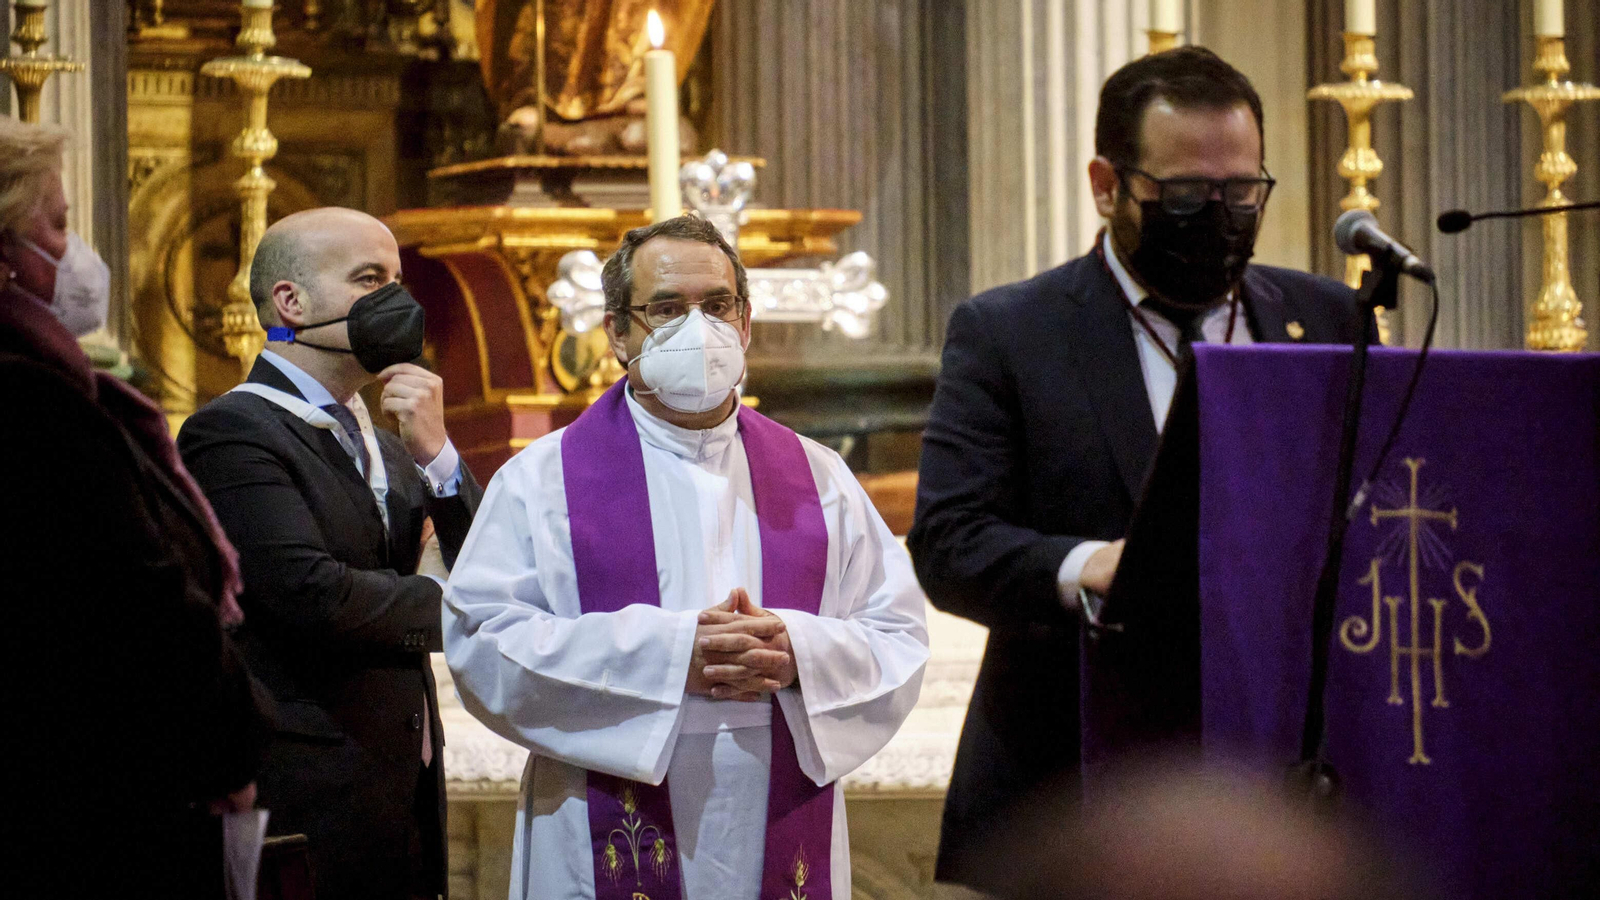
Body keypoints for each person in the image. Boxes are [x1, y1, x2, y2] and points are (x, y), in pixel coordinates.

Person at [908, 46, 1362, 891]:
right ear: (1106, 184)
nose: (1218, 215)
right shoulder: (1013, 332)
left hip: (1282, 783)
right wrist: (1093, 565)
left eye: (1241, 192)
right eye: (1186, 195)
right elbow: (948, 543)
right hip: (1075, 786)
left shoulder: (1324, 316)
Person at [443, 214, 930, 900]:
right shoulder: (543, 480)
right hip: (599, 812)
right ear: (617, 333)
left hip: (777, 802)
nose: (697, 329)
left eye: (717, 305)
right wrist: (674, 655)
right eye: (666, 309)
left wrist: (798, 651)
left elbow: (898, 636)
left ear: (746, 324)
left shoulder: (819, 479)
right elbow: (483, 643)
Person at [177, 207, 482, 900]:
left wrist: (438, 458)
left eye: (397, 279)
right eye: (369, 278)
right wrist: (459, 607)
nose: (395, 302)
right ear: (291, 301)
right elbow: (309, 593)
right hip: (308, 794)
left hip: (401, 787)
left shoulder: (394, 444)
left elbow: (490, 564)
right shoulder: (232, 432)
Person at [1, 117, 269, 897]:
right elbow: (140, 597)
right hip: (89, 792)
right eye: (56, 224)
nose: (75, 251)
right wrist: (228, 751)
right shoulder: (31, 403)